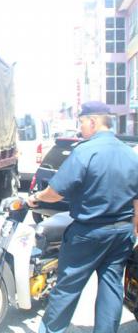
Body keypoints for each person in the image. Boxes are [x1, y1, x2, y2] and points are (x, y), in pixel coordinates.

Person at [27, 100, 138, 333]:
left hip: (89, 233)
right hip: (121, 232)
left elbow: (56, 193)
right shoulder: (131, 154)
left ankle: (52, 331)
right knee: (111, 286)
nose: (81, 128)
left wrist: (36, 197)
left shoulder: (86, 151)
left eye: (82, 123)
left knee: (68, 287)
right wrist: (134, 230)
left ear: (93, 121)